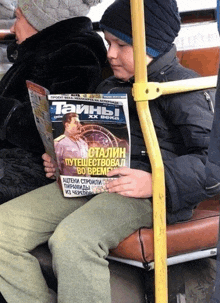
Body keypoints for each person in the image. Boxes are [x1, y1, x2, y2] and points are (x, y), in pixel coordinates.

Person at [0, 0, 215, 302]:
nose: (110, 54)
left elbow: (211, 163)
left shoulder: (183, 88)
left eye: (122, 45)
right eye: (107, 42)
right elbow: (93, 146)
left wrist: (155, 181)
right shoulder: (110, 87)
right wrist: (63, 161)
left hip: (152, 193)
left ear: (151, 46)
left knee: (74, 239)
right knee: (2, 230)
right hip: (96, 182)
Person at [0, 0, 106, 202]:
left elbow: (58, 130)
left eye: (19, 17)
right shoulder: (38, 52)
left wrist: (6, 113)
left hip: (40, 167)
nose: (13, 28)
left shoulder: (77, 55)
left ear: (42, 21)